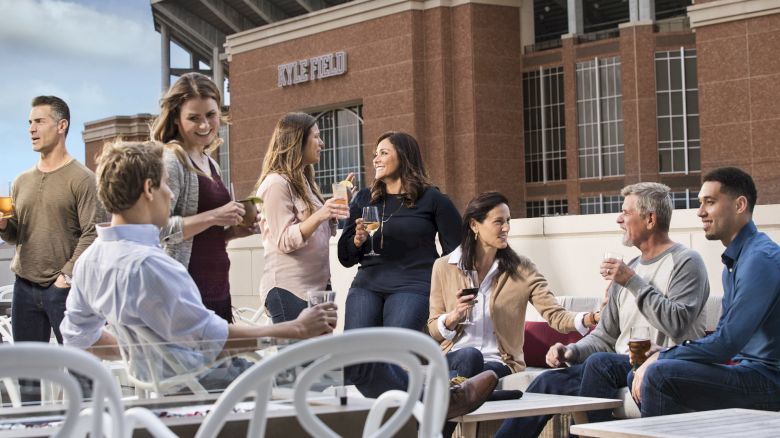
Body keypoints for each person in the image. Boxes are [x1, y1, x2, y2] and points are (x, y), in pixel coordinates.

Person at [61, 140, 336, 390]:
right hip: (212, 389)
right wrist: (296, 329)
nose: (170, 195)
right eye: (166, 184)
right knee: (318, 384)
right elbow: (213, 340)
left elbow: (78, 336)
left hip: (164, 389)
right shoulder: (152, 265)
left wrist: (144, 352)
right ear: (148, 189)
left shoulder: (89, 261)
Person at [496, 182, 710, 438]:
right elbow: (606, 336)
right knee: (546, 382)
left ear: (650, 219)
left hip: (660, 364)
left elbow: (677, 323)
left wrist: (631, 281)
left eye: (626, 212)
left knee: (600, 364)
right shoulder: (630, 267)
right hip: (616, 365)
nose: (619, 219)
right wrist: (572, 351)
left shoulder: (686, 262)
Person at [632, 167, 780, 416]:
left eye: (709, 202)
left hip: (769, 380)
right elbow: (722, 336)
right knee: (638, 375)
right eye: (700, 203)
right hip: (747, 371)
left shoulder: (759, 260)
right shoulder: (735, 263)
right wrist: (667, 354)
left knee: (657, 374)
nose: (700, 212)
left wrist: (666, 357)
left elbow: (726, 344)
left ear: (740, 205)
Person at [337, 131, 461, 398]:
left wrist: (443, 294)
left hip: (413, 285)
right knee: (356, 357)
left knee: (396, 354)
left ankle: (410, 414)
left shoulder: (433, 200)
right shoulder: (364, 198)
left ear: (403, 157)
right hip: (367, 285)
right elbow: (345, 258)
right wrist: (357, 241)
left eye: (384, 153)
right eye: (375, 154)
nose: (376, 159)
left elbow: (456, 253)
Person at [428, 191, 596, 382]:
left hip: (500, 363)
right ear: (475, 225)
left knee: (482, 374)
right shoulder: (443, 267)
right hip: (456, 357)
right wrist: (453, 317)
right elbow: (433, 330)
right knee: (470, 356)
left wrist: (592, 317)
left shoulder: (522, 269)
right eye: (498, 222)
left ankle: (450, 392)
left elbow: (555, 315)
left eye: (508, 221)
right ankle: (461, 391)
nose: (506, 228)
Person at [0, 96, 102, 401]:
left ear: (62, 126)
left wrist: (65, 277)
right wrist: (4, 227)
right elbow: (17, 235)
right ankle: (33, 431)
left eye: (39, 121)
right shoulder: (20, 181)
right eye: (29, 123)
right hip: (24, 288)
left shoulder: (83, 180)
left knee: (82, 374)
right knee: (29, 375)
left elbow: (94, 233)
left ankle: (89, 429)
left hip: (65, 291)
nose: (31, 128)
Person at [151, 73, 255, 322]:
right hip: (185, 291)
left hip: (218, 288)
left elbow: (205, 235)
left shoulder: (211, 163)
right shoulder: (171, 159)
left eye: (210, 115)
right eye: (193, 118)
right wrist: (215, 216)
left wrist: (232, 232)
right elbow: (159, 229)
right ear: (176, 119)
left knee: (223, 361)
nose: (204, 125)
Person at [255, 113, 349, 323]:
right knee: (299, 356)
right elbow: (284, 240)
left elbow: (317, 231)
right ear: (297, 141)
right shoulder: (275, 184)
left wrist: (334, 208)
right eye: (316, 136)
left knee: (322, 356)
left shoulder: (306, 183)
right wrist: (322, 213)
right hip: (290, 289)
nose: (322, 143)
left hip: (320, 288)